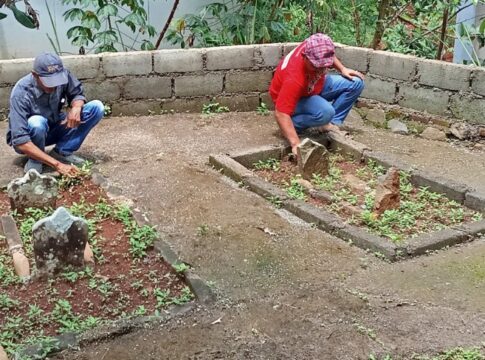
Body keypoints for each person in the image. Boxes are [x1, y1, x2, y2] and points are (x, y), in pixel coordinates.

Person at [6, 52, 104, 176]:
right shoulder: (20, 93)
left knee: (96, 107)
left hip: (55, 124)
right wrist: (57, 165)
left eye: (56, 81)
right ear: (35, 75)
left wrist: (76, 107)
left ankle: (62, 152)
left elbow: (77, 94)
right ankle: (35, 160)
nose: (54, 86)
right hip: (31, 137)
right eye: (49, 82)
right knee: (36, 122)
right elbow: (20, 140)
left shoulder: (64, 75)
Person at [269, 33, 365, 155]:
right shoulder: (294, 78)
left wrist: (342, 69)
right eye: (316, 67)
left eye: (324, 67)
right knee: (326, 112)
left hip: (313, 86)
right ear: (305, 57)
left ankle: (328, 125)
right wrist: (296, 144)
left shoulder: (315, 44)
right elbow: (281, 113)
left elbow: (328, 54)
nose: (320, 71)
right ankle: (291, 126)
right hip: (295, 96)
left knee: (356, 83)